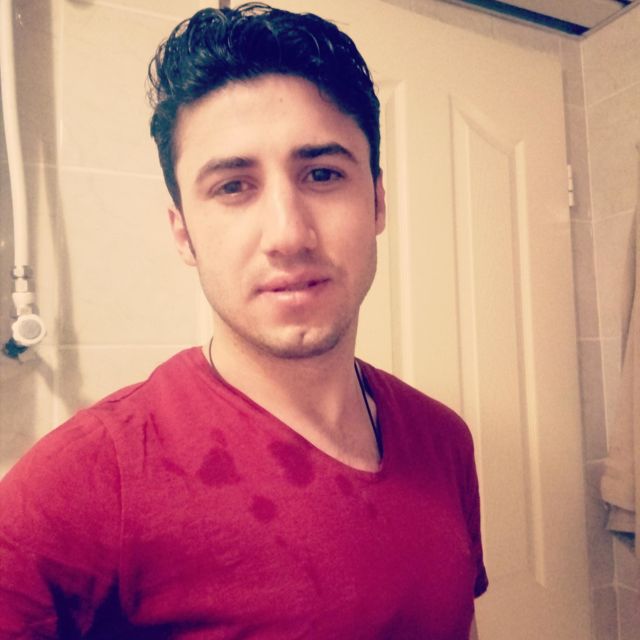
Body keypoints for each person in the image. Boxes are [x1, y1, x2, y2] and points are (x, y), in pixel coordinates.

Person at [0, 3, 487, 638]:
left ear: (376, 202)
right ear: (183, 232)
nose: (287, 235)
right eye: (233, 187)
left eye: (322, 174)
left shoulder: (445, 441)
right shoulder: (77, 486)